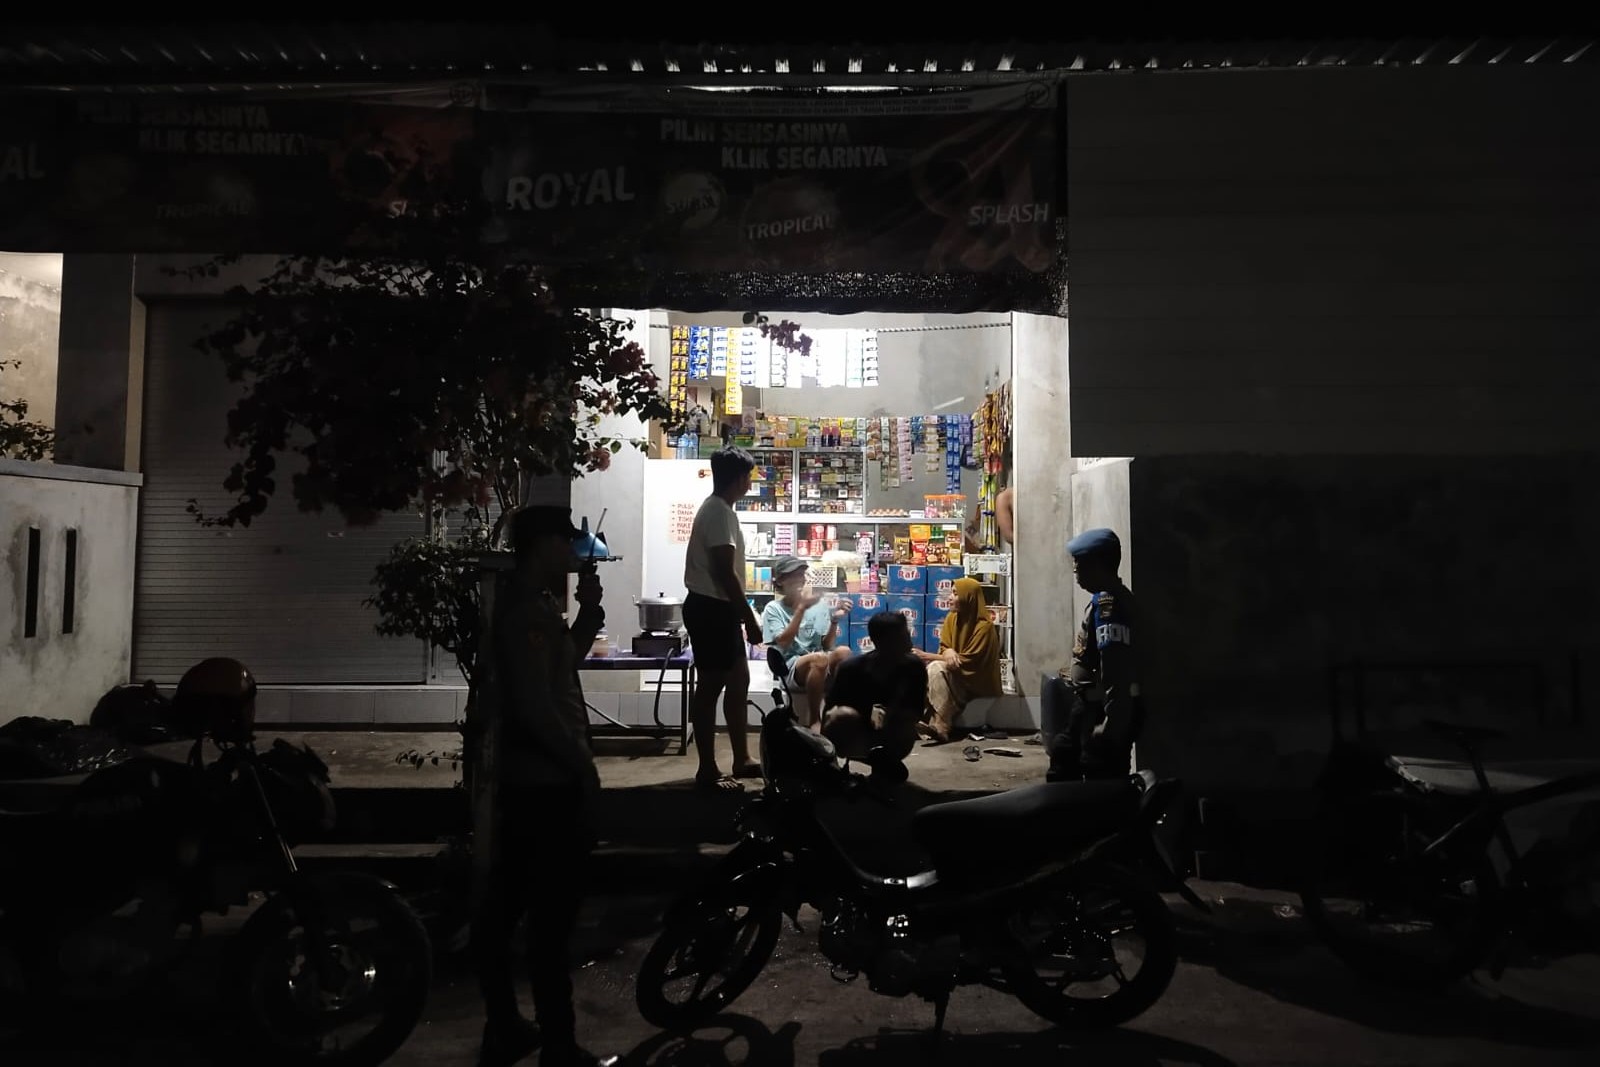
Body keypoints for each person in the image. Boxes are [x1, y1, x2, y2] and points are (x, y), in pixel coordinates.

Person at [474, 505, 617, 1067]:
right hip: (544, 784)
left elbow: (565, 665)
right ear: (542, 546)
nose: (574, 552)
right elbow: (535, 707)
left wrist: (589, 614)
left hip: (539, 780)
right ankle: (557, 1045)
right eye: (567, 541)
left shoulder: (537, 604)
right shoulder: (523, 613)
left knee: (508, 910)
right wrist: (581, 766)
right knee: (549, 922)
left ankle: (506, 1027)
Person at [682, 447, 765, 791]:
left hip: (717, 608)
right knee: (711, 686)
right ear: (739, 478)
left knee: (738, 679)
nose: (750, 483)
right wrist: (749, 617)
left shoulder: (720, 509)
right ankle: (708, 769)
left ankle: (742, 758)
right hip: (711, 608)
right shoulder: (718, 512)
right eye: (748, 476)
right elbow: (724, 571)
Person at [1043, 527, 1144, 782]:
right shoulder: (1104, 600)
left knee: (1099, 775)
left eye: (1080, 562)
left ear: (1098, 565)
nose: (1075, 569)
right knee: (1064, 757)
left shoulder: (1111, 607)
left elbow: (1116, 671)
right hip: (1089, 706)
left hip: (1103, 710)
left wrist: (1111, 726)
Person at [822, 612, 928, 763]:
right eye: (902, 636)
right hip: (857, 734)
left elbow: (917, 710)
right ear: (881, 641)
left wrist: (892, 714)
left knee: (905, 725)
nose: (909, 641)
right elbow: (829, 710)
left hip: (893, 733)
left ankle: (886, 763)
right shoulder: (851, 669)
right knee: (842, 715)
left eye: (907, 634)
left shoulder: (914, 667)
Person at [761, 555, 851, 728]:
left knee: (843, 653)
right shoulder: (773, 608)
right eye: (793, 575)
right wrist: (801, 608)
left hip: (819, 661)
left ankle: (834, 710)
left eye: (801, 574)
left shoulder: (819, 606)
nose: (800, 579)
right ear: (780, 581)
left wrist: (834, 620)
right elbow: (783, 642)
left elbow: (826, 645)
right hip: (790, 667)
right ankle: (814, 719)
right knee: (819, 659)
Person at [915, 576, 1003, 743]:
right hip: (956, 677)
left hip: (974, 684)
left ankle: (941, 726)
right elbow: (945, 648)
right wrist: (948, 651)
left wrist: (928, 656)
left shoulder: (984, 627)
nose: (949, 598)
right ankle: (934, 726)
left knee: (935, 668)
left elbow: (967, 662)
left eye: (955, 594)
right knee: (927, 671)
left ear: (969, 597)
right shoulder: (952, 618)